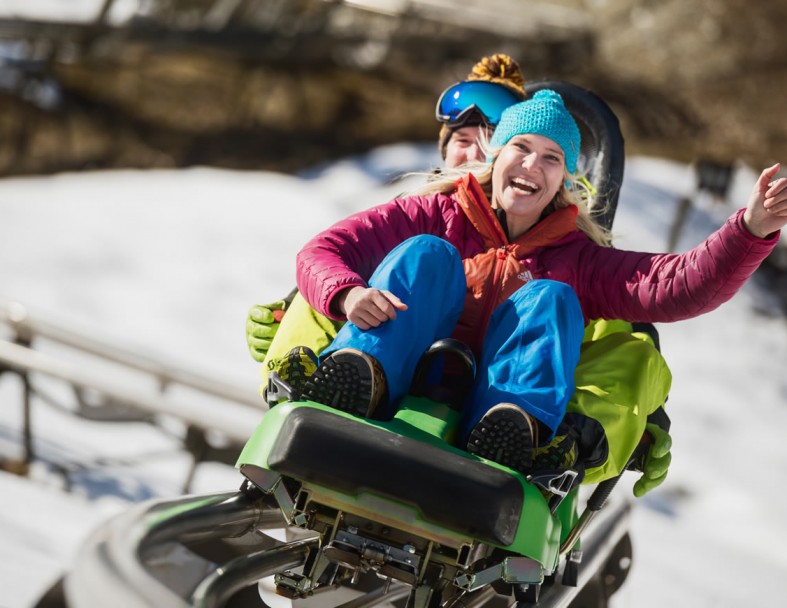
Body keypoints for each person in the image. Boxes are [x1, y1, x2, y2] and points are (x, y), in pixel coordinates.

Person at [291, 89, 785, 480]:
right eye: (521, 148)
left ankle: (512, 426)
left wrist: (752, 228)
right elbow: (323, 251)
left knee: (552, 298)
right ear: (496, 154)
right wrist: (348, 292)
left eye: (551, 158)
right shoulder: (434, 212)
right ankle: (358, 376)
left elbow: (678, 285)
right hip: (397, 381)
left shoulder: (578, 258)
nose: (532, 166)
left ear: (566, 178)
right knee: (427, 254)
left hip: (487, 410)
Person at [249, 56, 673, 494]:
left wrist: (642, 413)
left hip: (497, 400)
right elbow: (329, 259)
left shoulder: (568, 248)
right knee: (360, 279)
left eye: (489, 139)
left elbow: (623, 337)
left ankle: (545, 440)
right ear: (443, 149)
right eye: (463, 139)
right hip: (390, 379)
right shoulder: (420, 216)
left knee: (572, 316)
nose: (474, 153)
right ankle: (318, 383)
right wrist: (288, 323)